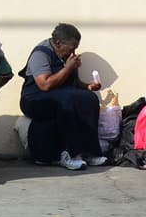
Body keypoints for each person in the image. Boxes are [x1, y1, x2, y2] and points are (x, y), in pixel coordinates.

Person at [19, 23, 108, 170]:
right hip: (34, 98)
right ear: (58, 43)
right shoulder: (40, 54)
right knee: (67, 101)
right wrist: (68, 68)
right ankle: (70, 154)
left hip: (59, 95)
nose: (74, 51)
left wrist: (89, 87)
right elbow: (45, 85)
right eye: (72, 47)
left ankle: (91, 152)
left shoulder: (66, 56)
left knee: (90, 98)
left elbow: (74, 84)